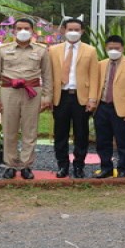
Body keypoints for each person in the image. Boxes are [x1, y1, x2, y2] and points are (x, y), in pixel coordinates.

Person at [0, 18, 52, 179]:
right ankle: (10, 164)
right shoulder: (2, 49)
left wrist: (47, 97)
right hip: (9, 91)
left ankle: (26, 165)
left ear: (32, 31)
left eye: (26, 28)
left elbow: (47, 75)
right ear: (13, 31)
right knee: (9, 129)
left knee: (29, 130)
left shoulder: (41, 50)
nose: (22, 31)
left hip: (32, 91)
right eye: (19, 28)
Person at [48, 18, 99, 178]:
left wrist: (92, 99)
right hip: (61, 96)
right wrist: (48, 97)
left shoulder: (90, 51)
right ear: (63, 30)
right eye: (70, 29)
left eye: (77, 30)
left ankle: (79, 165)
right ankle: (62, 165)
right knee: (60, 133)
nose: (73, 32)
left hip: (80, 97)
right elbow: (49, 75)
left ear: (82, 31)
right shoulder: (53, 50)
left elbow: (94, 76)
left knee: (81, 133)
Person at [93, 35, 125, 179]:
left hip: (121, 109)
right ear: (105, 48)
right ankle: (106, 168)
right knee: (102, 140)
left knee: (123, 141)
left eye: (117, 48)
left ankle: (123, 169)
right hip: (102, 106)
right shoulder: (101, 64)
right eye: (110, 48)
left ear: (123, 48)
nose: (113, 50)